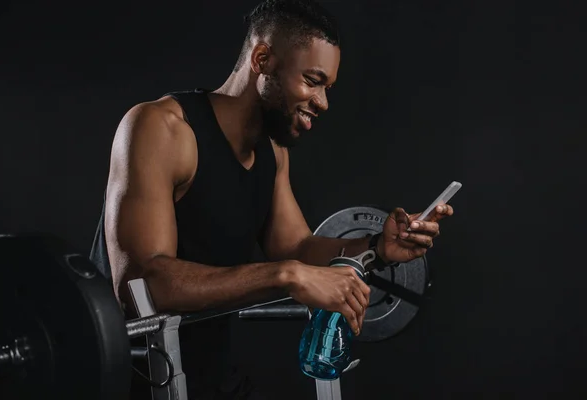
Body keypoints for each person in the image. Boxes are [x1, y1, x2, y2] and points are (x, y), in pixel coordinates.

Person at [89, 0, 454, 398]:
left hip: (211, 378)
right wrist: (287, 275)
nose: (323, 102)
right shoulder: (162, 129)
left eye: (327, 88)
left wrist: (376, 248)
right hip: (137, 381)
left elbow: (297, 246)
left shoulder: (273, 152)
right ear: (262, 58)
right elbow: (141, 284)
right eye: (312, 80)